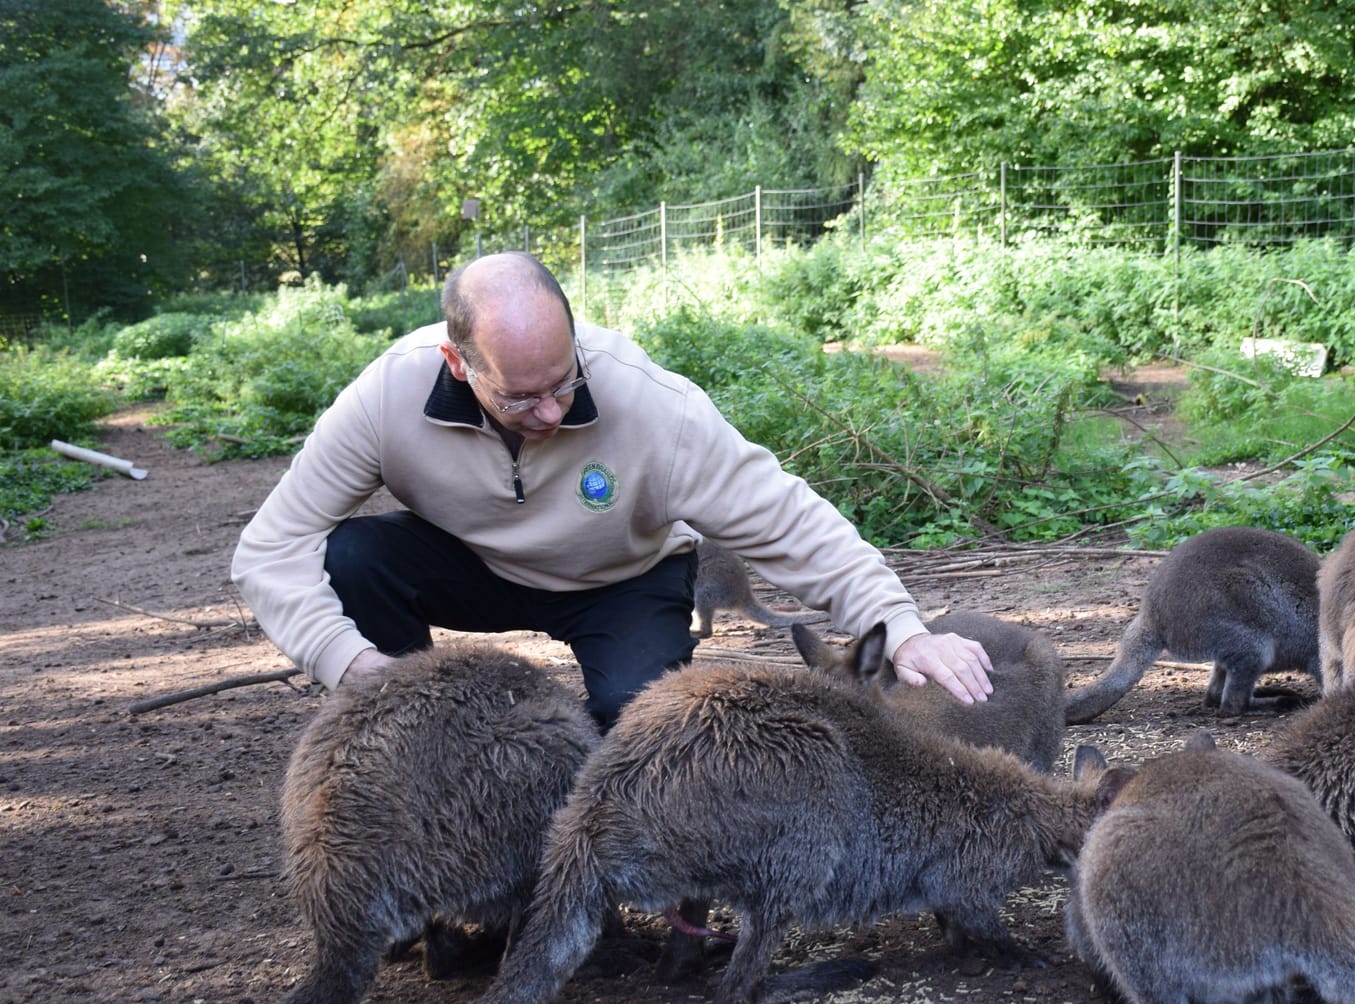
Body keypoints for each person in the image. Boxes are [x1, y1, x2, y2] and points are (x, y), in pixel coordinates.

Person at [231, 252, 992, 729]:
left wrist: (900, 625)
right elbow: (270, 548)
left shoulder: (651, 405)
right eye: (523, 398)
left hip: (621, 578)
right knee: (352, 555)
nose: (553, 411)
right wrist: (350, 664)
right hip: (475, 568)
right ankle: (406, 733)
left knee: (635, 722)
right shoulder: (388, 397)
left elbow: (787, 520)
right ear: (459, 364)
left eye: (563, 382)